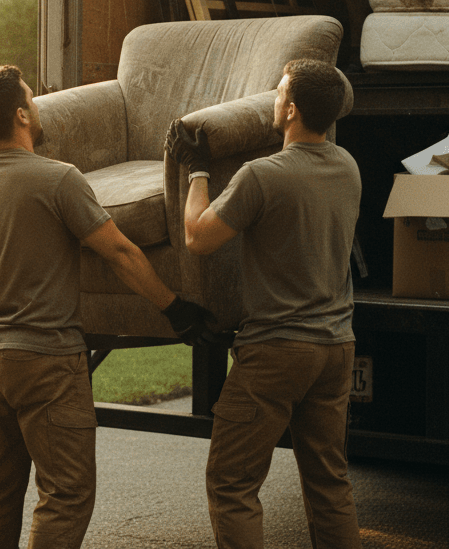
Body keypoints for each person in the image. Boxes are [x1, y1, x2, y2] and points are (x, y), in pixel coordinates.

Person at [0, 64, 215, 549]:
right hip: (45, 357)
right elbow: (119, 252)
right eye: (31, 98)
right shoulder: (57, 179)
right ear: (21, 115)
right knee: (66, 490)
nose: (36, 105)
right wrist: (175, 307)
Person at [166, 58, 362, 549]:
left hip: (277, 351)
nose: (273, 99)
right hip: (336, 347)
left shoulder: (263, 176)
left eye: (278, 92)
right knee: (329, 484)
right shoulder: (347, 167)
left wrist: (198, 171)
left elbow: (198, 237)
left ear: (291, 109)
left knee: (232, 482)